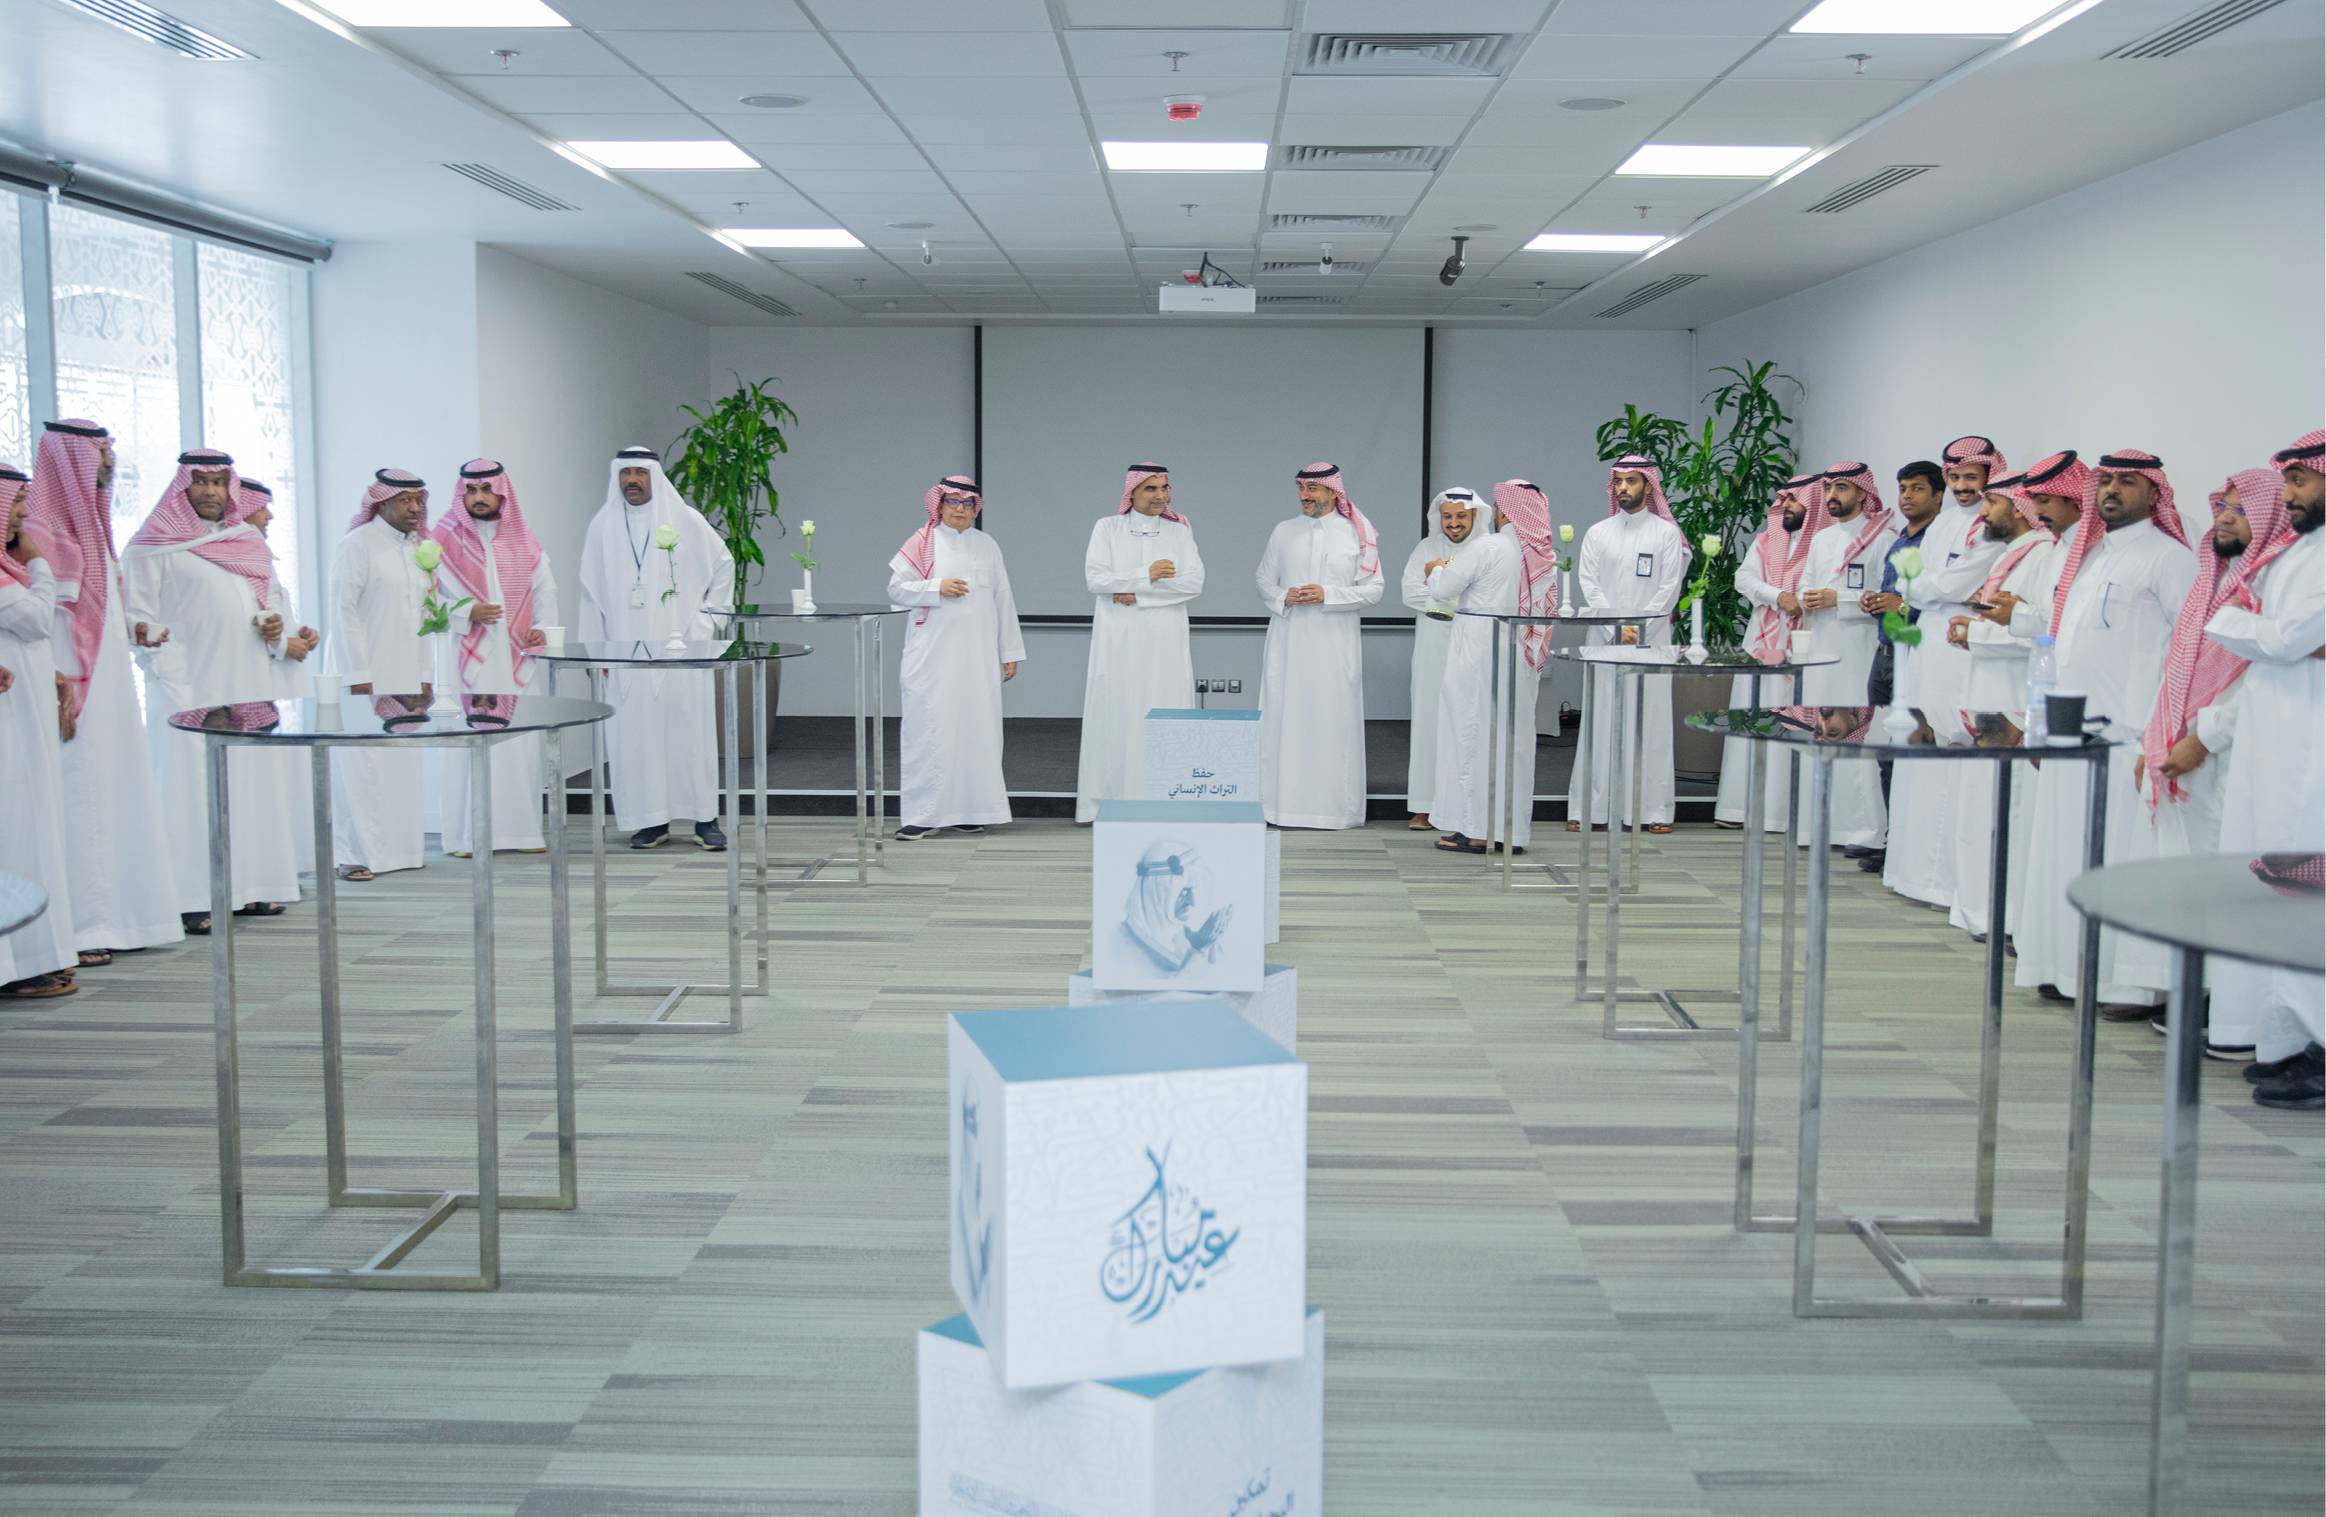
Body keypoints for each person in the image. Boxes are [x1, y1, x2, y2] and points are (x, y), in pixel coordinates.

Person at [2108, 467, 2290, 1055]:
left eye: (2240, 510)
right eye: (2222, 509)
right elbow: (2177, 664)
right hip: (2178, 748)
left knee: (2220, 874)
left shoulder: (2270, 582)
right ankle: (2192, 990)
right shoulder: (2216, 574)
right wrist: (2154, 740)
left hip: (2228, 755)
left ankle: (2223, 1002)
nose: (2226, 519)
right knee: (2182, 875)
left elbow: (2257, 679)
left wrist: (2203, 739)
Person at [2013, 449, 2198, 1016]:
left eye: (2128, 481)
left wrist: (2161, 734)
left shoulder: (2169, 559)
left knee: (2120, 858)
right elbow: (2059, 647)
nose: (2113, 489)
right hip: (2070, 732)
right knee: (2063, 850)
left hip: (2131, 737)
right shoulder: (2088, 556)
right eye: (2107, 480)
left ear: (2155, 492)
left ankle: (2126, 986)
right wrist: (2041, 723)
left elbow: (2188, 655)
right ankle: (2063, 968)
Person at [120, 450, 304, 930]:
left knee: (250, 789)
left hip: (246, 683)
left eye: (219, 482)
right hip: (188, 690)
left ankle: (252, 886)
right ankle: (192, 898)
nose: (209, 491)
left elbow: (272, 600)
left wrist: (276, 630)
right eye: (199, 481)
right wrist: (176, 682)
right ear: (182, 487)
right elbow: (136, 617)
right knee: (189, 794)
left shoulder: (246, 541)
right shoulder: (152, 546)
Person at [28, 420, 182, 962]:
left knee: (109, 792)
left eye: (110, 450)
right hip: (70, 690)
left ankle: (119, 918)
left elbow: (102, 613)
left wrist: (134, 629)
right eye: (99, 451)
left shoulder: (92, 533)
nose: (110, 461)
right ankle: (84, 928)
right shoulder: (41, 532)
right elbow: (42, 621)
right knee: (80, 797)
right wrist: (56, 684)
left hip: (109, 689)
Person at [2206, 433, 2325, 1109]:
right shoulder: (2296, 551)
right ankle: (2299, 1040)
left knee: (2311, 892)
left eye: (2303, 481)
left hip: (2314, 744)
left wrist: (2235, 622)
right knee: (2281, 890)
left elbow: (2285, 638)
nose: (2291, 495)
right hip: (2277, 739)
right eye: (2289, 482)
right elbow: (2282, 641)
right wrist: (2262, 632)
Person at [577, 446, 735, 851]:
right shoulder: (602, 526)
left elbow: (724, 566)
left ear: (654, 476)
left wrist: (704, 627)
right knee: (636, 741)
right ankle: (651, 821)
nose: (632, 480)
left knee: (691, 736)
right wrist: (598, 652)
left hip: (683, 652)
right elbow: (590, 593)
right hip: (624, 656)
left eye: (640, 472)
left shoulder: (686, 520)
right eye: (625, 472)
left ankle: (705, 819)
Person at [1872, 440, 2007, 887]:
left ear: (1988, 478)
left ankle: (1947, 879)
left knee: (1956, 747)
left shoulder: (1994, 527)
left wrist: (1926, 589)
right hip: (1927, 642)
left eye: (1972, 478)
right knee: (1920, 747)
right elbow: (1915, 583)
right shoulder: (1944, 522)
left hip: (1963, 643)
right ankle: (1911, 873)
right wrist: (1927, 589)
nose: (1963, 486)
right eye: (1956, 478)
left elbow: (1947, 585)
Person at [432, 460, 556, 856]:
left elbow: (545, 594)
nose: (479, 497)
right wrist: (466, 612)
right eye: (471, 490)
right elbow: (425, 600)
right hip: (465, 661)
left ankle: (521, 833)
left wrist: (542, 630)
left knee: (519, 746)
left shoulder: (524, 541)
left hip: (515, 657)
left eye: (486, 489)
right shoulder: (442, 540)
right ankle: (465, 837)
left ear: (502, 493)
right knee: (469, 744)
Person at [890, 475, 1024, 839]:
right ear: (939, 504)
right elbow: (896, 589)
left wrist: (1009, 650)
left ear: (975, 508)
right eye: (953, 502)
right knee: (930, 729)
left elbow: (1003, 598)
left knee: (977, 729)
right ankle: (923, 814)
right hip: (932, 657)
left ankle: (970, 809)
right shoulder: (922, 542)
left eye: (967, 504)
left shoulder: (987, 544)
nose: (960, 509)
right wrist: (937, 587)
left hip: (978, 657)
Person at [1427, 480, 1557, 855]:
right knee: (1513, 740)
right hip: (1521, 650)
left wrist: (1435, 569)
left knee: (1473, 733)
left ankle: (1478, 830)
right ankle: (1509, 830)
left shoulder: (1489, 546)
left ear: (1504, 510)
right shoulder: (1542, 555)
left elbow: (1443, 589)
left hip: (1479, 647)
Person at [1949, 475, 2051, 941]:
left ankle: (2006, 919)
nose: (1983, 511)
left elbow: (2040, 633)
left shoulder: (2043, 555)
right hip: (1989, 690)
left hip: (2014, 698)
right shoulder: (2014, 554)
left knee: (2008, 811)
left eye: (1992, 501)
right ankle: (1980, 911)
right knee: (1980, 808)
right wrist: (1973, 629)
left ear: (2020, 507)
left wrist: (1977, 633)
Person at [1073, 464, 1204, 823]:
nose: (1160, 495)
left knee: (1165, 709)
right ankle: (1106, 804)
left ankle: (1167, 802)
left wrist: (1137, 593)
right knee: (1117, 710)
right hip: (1118, 640)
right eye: (1151, 488)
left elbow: (1193, 583)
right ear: (1131, 492)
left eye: (1164, 488)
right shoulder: (1107, 528)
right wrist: (1145, 576)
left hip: (1166, 640)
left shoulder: (1179, 531)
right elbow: (1096, 580)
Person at [1256, 463, 1383, 830]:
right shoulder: (1284, 531)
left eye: (1312, 489)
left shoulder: (1357, 534)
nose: (1305, 496)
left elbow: (1374, 590)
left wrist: (1328, 594)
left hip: (1334, 643)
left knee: (1331, 719)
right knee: (1286, 717)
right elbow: (1263, 580)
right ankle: (1280, 807)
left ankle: (1333, 810)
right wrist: (1283, 595)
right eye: (1301, 488)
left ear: (1333, 491)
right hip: (1289, 640)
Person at [327, 470, 434, 881]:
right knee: (361, 767)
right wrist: (358, 675)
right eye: (405, 500)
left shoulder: (418, 548)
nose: (414, 508)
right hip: (363, 677)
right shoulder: (357, 545)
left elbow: (426, 617)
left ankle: (399, 852)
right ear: (382, 503)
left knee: (400, 765)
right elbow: (343, 612)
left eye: (419, 500)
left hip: (406, 674)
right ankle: (353, 855)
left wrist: (425, 675)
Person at [1574, 456, 1688, 834]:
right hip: (1603, 639)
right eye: (1619, 481)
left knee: (1650, 723)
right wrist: (1615, 626)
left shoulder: (1666, 534)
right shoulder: (1598, 532)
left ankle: (1652, 810)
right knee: (1600, 720)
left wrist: (1638, 628)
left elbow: (1669, 587)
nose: (1623, 488)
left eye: (1631, 481)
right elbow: (1589, 583)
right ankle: (1592, 809)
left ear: (1648, 485)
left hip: (1650, 640)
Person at [0, 462, 79, 998]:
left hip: (22, 716)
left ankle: (33, 956)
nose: (23, 515)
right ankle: (18, 963)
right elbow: (33, 619)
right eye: (15, 503)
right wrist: (40, 562)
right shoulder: (20, 568)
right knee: (15, 826)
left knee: (31, 824)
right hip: (9, 722)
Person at [1794, 461, 1899, 852]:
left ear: (1861, 492)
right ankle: (1820, 826)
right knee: (1823, 731)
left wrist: (1839, 599)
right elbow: (1806, 584)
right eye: (1828, 489)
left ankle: (1864, 830)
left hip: (1860, 648)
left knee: (1858, 732)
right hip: (1822, 646)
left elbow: (1885, 598)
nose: (1832, 496)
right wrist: (1808, 597)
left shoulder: (1883, 538)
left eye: (1841, 487)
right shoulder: (1821, 538)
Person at [1715, 473, 1823, 831]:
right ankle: (1740, 809)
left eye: (1794, 499)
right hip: (1762, 641)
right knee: (1752, 718)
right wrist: (1778, 596)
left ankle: (1784, 813)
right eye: (1784, 499)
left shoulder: (1824, 544)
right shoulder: (1766, 540)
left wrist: (1798, 600)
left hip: (1804, 642)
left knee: (1793, 721)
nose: (1786, 505)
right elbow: (1743, 579)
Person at [1400, 486, 1483, 830]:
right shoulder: (1426, 548)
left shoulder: (1486, 549)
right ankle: (1424, 804)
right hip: (1433, 644)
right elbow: (1409, 592)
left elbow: (1486, 594)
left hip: (1474, 643)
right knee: (1428, 718)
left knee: (1470, 723)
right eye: (1447, 516)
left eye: (1461, 516)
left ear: (1475, 516)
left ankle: (1468, 807)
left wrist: (1439, 588)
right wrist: (1455, 598)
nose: (1454, 523)